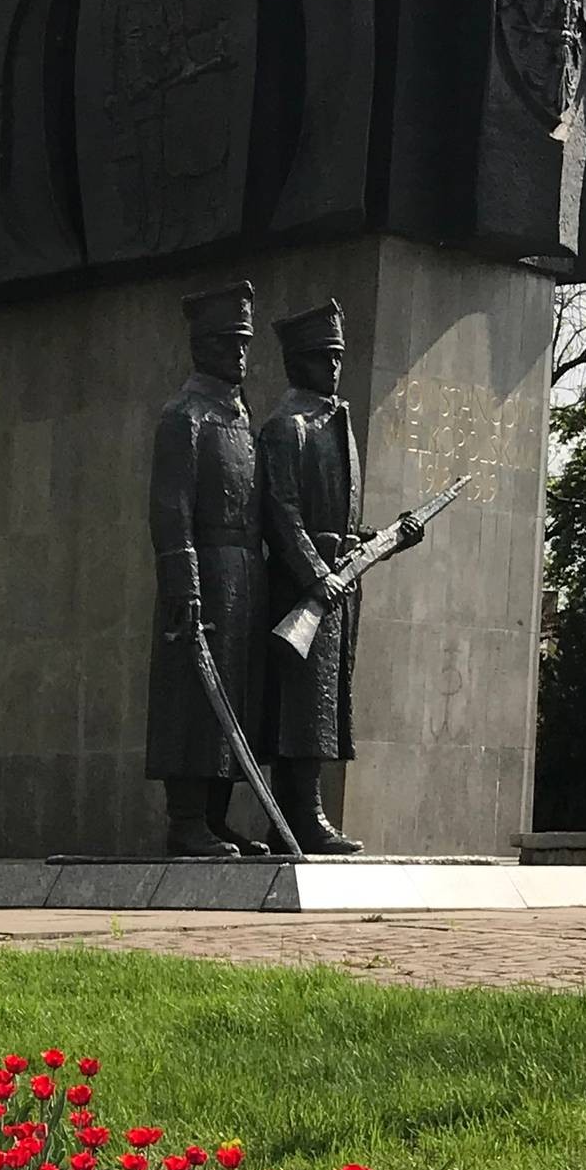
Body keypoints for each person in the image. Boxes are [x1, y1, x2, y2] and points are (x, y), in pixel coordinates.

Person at [257, 297, 421, 854]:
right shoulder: (286, 428)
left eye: (338, 356)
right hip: (303, 587)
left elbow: (340, 522)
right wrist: (313, 574)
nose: (333, 367)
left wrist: (386, 539)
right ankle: (300, 819)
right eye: (323, 357)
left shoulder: (338, 423)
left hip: (337, 584)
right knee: (300, 709)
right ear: (297, 362)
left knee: (324, 709)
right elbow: (281, 512)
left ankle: (306, 815)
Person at [145, 281, 267, 858]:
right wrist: (183, 581)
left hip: (243, 577)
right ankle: (186, 819)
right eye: (227, 343)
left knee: (233, 701)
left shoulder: (241, 418)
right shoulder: (184, 416)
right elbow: (171, 507)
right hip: (203, 575)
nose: (239, 354)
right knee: (192, 701)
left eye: (244, 343)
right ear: (202, 346)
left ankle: (217, 819)